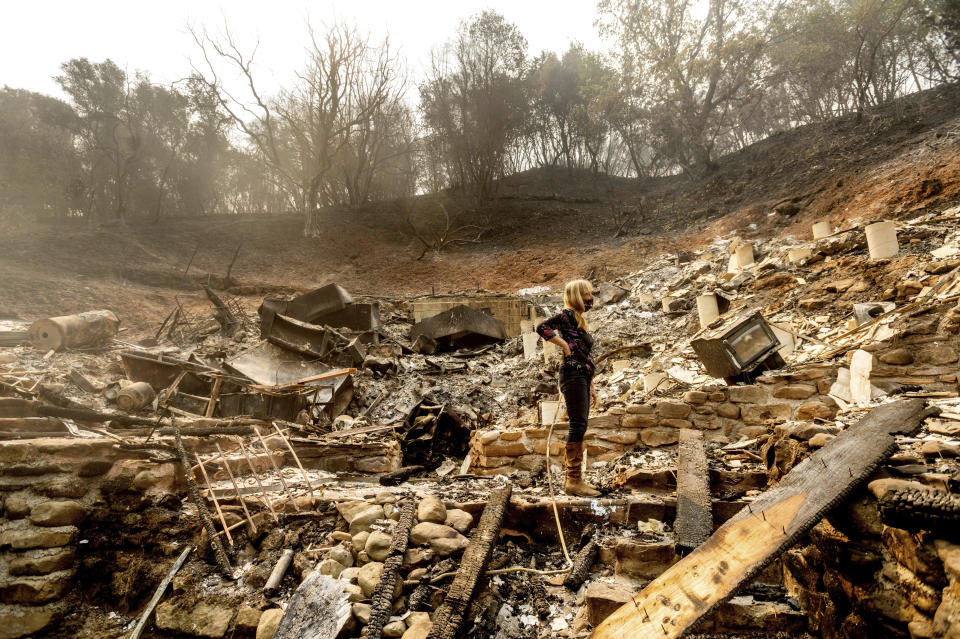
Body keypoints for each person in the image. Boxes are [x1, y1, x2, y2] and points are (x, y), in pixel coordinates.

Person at [536, 279, 600, 497]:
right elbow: (541, 327)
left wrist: (591, 384)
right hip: (572, 375)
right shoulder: (567, 315)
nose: (590, 298)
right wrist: (563, 345)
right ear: (575, 297)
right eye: (586, 295)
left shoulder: (578, 320)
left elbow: (585, 355)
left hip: (581, 376)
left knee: (581, 424)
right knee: (577, 424)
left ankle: (576, 479)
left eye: (590, 294)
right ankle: (572, 481)